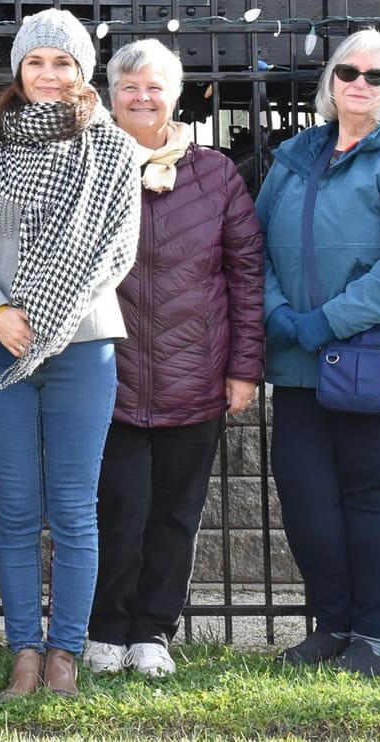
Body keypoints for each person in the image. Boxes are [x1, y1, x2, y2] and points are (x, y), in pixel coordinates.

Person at [258, 30, 380, 678]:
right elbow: (249, 245)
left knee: (369, 491)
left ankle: (373, 638)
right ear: (330, 81)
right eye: (348, 71)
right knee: (304, 492)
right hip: (298, 351)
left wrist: (326, 322)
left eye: (377, 75)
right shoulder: (295, 157)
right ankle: (331, 625)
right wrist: (278, 316)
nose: (360, 83)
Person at [0, 8, 140, 699]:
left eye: (63, 62)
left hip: (83, 340)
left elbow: (118, 249)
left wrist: (52, 314)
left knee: (73, 508)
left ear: (82, 70)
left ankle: (65, 652)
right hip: (0, 345)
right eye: (37, 62)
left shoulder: (113, 148)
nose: (50, 74)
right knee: (16, 508)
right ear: (20, 70)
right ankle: (24, 652)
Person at [85, 40, 264, 678]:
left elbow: (245, 276)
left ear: (177, 93)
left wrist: (243, 368)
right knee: (118, 508)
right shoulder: (86, 165)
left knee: (174, 514)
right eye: (129, 86)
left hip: (196, 374)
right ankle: (105, 628)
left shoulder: (214, 174)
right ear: (111, 95)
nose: (141, 97)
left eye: (154, 86)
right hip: (110, 375)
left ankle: (153, 632)